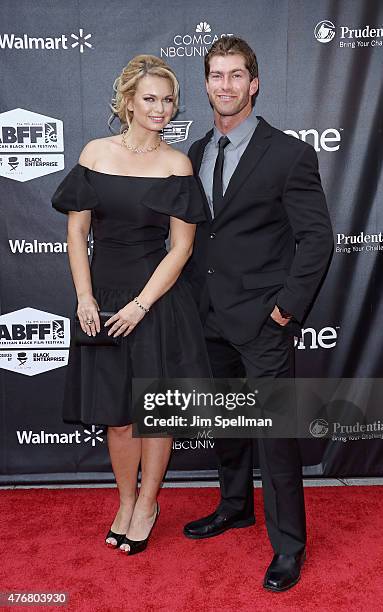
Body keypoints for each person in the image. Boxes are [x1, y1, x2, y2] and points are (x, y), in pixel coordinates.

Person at [183, 36, 334, 591]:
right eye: (215, 75)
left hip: (265, 321)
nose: (224, 85)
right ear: (206, 84)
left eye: (235, 74)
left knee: (275, 437)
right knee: (227, 424)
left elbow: (317, 239)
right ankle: (234, 506)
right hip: (207, 314)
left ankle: (288, 547)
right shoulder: (195, 153)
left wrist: (285, 310)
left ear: (255, 82)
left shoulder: (289, 153)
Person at [51, 55, 211, 556]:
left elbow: (181, 248)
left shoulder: (177, 164)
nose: (160, 109)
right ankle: (124, 501)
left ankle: (147, 503)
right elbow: (77, 234)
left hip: (156, 301)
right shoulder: (95, 154)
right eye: (150, 99)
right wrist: (84, 296)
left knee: (154, 413)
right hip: (102, 297)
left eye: (168, 100)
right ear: (127, 103)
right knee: (117, 415)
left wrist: (141, 305)